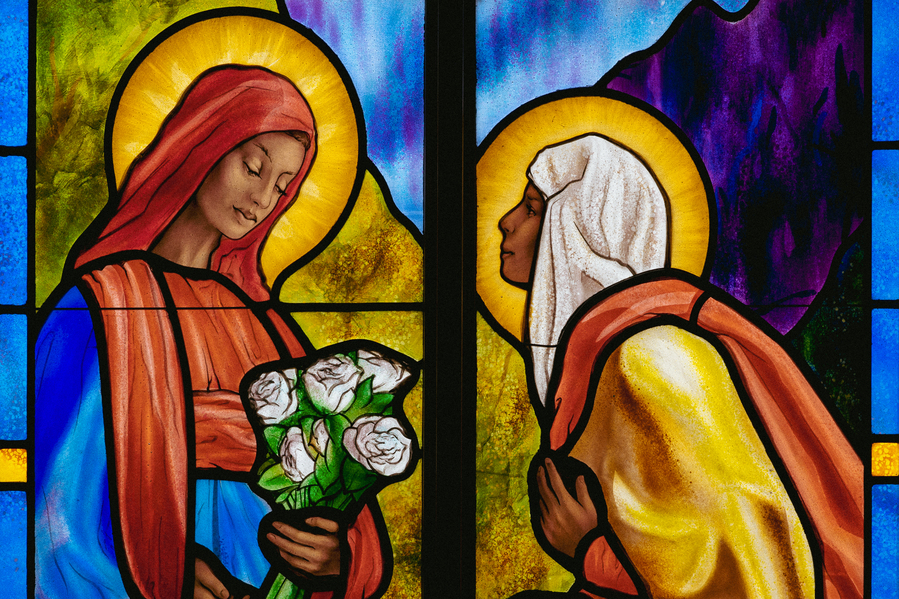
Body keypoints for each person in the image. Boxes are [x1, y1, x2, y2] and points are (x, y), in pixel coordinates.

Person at [35, 66, 386, 599]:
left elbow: (333, 488)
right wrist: (154, 573)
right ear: (203, 144)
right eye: (253, 168)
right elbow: (47, 502)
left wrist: (337, 557)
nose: (265, 199)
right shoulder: (100, 306)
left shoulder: (266, 329)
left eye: (284, 186)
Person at [499, 135, 863, 598]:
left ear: (576, 232)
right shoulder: (610, 360)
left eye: (533, 208)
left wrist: (591, 552)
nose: (506, 223)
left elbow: (750, 580)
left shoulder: (650, 361)